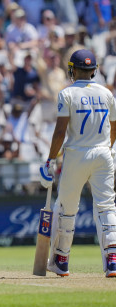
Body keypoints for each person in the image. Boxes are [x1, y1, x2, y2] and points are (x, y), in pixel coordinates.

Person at [40, 49, 116, 278]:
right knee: (106, 207)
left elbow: (60, 130)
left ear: (73, 69)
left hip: (76, 155)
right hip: (104, 154)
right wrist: (107, 148)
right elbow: (114, 127)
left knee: (66, 208)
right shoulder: (107, 93)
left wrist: (50, 159)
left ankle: (61, 260)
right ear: (94, 70)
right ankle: (112, 259)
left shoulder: (67, 94)